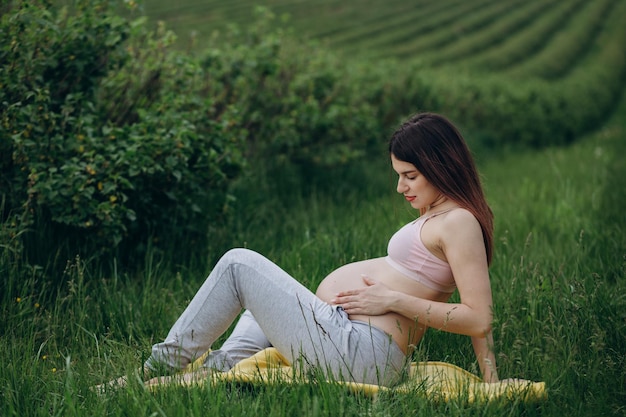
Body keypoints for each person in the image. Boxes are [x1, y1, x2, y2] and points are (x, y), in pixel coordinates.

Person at [108, 112, 500, 389]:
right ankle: (213, 373)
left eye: (409, 176)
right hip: (352, 342)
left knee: (238, 264)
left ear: (440, 164)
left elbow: (477, 317)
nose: (401, 188)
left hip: (363, 355)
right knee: (258, 307)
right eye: (399, 176)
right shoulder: (439, 214)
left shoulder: (459, 222)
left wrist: (390, 298)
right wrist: (490, 378)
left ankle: (155, 368)